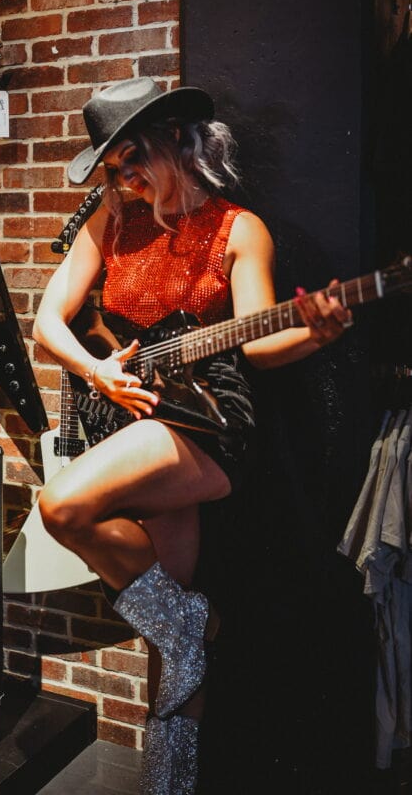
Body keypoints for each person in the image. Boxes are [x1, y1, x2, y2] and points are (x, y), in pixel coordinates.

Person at [32, 77, 353, 794]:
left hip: (203, 420)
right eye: (113, 167)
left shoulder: (239, 229)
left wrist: (315, 332)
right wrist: (96, 373)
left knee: (62, 507)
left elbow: (260, 344)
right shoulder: (110, 221)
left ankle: (191, 623)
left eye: (131, 158)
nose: (124, 177)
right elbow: (47, 322)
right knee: (169, 645)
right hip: (126, 411)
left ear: (178, 140)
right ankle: (170, 782)